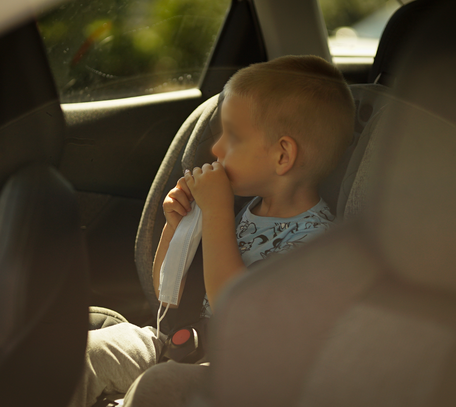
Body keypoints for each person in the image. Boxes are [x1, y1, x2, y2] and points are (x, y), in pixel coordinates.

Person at [69, 55, 355, 407]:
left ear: (283, 156)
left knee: (157, 384)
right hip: (183, 343)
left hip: (241, 379)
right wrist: (176, 231)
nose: (215, 148)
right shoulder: (247, 210)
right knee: (81, 354)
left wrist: (217, 210)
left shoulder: (316, 245)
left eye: (232, 137)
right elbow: (167, 294)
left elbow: (238, 314)